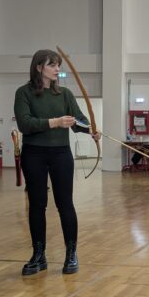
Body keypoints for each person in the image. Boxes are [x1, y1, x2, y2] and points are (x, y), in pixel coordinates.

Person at [14, 49, 101, 276]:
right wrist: (56, 122)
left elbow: (78, 120)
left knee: (65, 204)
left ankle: (71, 254)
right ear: (39, 67)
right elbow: (25, 124)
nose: (57, 69)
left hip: (61, 155)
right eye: (52, 65)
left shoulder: (65, 94)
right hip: (34, 154)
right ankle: (39, 255)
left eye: (58, 65)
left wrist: (90, 129)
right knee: (37, 205)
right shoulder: (23, 93)